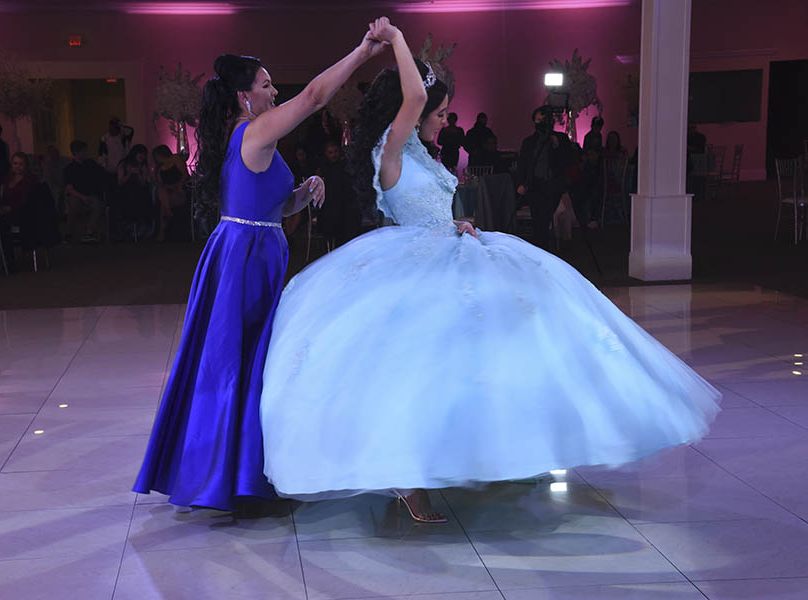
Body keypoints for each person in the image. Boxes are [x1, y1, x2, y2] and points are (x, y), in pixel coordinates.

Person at [259, 21, 720, 524]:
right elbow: (413, 96)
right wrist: (393, 40)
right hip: (414, 261)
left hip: (452, 245)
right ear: (407, 113)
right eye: (437, 112)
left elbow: (425, 202)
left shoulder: (415, 151)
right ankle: (409, 478)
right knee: (415, 366)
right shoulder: (389, 149)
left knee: (501, 344)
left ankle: (504, 450)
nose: (441, 118)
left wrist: (453, 221)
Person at [133, 21, 390, 512]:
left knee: (247, 363)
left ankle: (238, 474)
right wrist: (362, 53)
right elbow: (315, 97)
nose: (275, 90)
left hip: (249, 247)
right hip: (247, 258)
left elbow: (270, 205)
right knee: (244, 364)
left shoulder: (243, 136)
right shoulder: (255, 129)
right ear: (243, 97)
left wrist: (302, 191)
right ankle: (238, 481)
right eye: (266, 84)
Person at [516, 106, 573, 250]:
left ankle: (545, 249)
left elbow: (569, 160)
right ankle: (540, 249)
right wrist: (521, 183)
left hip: (552, 186)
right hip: (535, 186)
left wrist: (556, 145)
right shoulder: (529, 142)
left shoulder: (560, 138)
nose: (541, 123)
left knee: (546, 218)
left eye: (544, 119)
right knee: (538, 221)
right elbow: (523, 164)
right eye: (538, 120)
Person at [318, 140, 362, 246]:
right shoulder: (324, 168)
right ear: (326, 153)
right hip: (331, 206)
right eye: (330, 152)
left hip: (346, 205)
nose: (333, 155)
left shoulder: (345, 166)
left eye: (335, 151)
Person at [63, 140, 104, 243]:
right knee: (74, 203)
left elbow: (102, 173)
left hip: (90, 194)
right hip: (77, 195)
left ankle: (89, 232)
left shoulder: (90, 163)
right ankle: (69, 233)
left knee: (97, 204)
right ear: (77, 153)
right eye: (84, 151)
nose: (86, 153)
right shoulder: (69, 169)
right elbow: (69, 188)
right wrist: (83, 197)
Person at [152, 144, 190, 242]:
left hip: (180, 188)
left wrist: (178, 186)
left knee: (163, 204)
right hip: (169, 191)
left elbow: (185, 175)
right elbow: (160, 183)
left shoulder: (175, 159)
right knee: (162, 191)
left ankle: (162, 232)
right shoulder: (159, 168)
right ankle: (168, 212)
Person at [116, 144, 152, 238]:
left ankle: (141, 227)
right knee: (131, 197)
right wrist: (129, 173)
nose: (142, 156)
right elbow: (120, 183)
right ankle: (129, 226)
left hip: (140, 191)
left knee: (143, 196)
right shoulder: (123, 164)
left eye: (144, 155)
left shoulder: (143, 165)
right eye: (140, 154)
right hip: (125, 191)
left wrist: (141, 173)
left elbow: (143, 183)